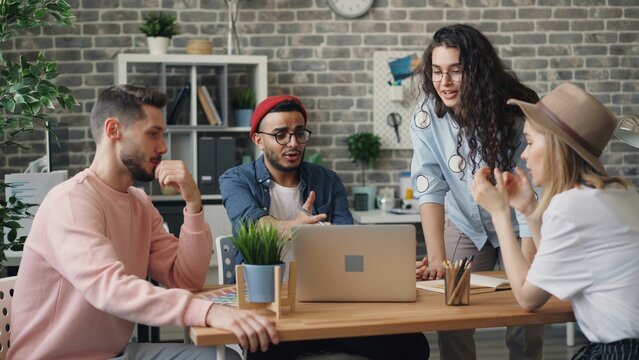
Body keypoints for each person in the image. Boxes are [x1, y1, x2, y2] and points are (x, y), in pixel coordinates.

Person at [8, 85, 279, 360]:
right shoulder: (71, 200)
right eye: (153, 134)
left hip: (115, 353)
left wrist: (194, 204)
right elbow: (110, 288)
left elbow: (186, 278)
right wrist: (209, 311)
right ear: (113, 130)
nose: (163, 147)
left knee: (225, 358)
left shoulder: (139, 202)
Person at [220, 95, 430, 360]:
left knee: (413, 345)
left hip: (325, 305)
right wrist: (296, 227)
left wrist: (389, 270)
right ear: (258, 139)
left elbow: (350, 248)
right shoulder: (235, 180)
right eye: (281, 135)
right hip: (267, 309)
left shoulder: (328, 181)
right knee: (265, 349)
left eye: (299, 133)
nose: (293, 143)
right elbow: (251, 226)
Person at [472, 82, 639, 359]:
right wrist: (528, 209)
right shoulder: (623, 192)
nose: (524, 155)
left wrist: (500, 213)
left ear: (556, 147)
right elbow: (557, 266)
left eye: (529, 142)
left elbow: (528, 298)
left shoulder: (571, 205)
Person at [409, 24, 544, 360]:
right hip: (464, 222)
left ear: (478, 71)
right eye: (437, 72)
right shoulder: (426, 115)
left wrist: (528, 259)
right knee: (452, 311)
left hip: (517, 220)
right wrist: (438, 256)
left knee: (526, 315)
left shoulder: (517, 111)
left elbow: (532, 190)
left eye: (456, 71)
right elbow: (429, 186)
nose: (445, 82)